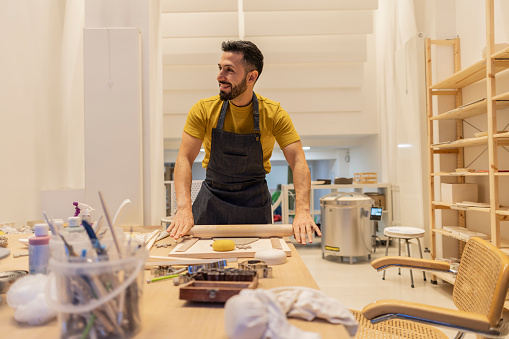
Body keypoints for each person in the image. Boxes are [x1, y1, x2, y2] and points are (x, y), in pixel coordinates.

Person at [167, 40, 321, 244]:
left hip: (254, 203)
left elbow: (299, 161)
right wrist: (184, 208)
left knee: (259, 265)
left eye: (229, 70)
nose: (220, 76)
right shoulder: (203, 110)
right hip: (212, 199)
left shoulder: (274, 114)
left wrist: (302, 211)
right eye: (220, 68)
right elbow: (184, 158)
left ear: (251, 77)